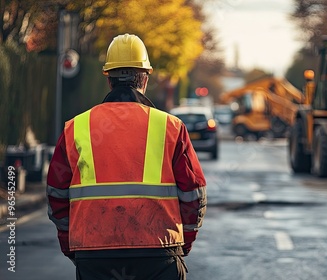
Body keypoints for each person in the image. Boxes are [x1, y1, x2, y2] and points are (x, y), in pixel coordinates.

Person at [46, 33, 207, 280]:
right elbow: (194, 196)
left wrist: (73, 245)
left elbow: (56, 195)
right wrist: (182, 243)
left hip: (94, 256)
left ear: (109, 80)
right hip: (158, 254)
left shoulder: (76, 128)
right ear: (144, 79)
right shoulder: (171, 127)